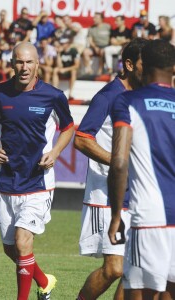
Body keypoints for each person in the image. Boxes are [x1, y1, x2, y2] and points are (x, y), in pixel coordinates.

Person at [0, 42, 74, 300]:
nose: (24, 67)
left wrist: (55, 153)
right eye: (19, 62)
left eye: (29, 62)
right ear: (12, 63)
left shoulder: (54, 95)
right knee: (11, 250)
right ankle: (45, 281)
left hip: (38, 182)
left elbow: (68, 127)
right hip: (6, 180)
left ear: (38, 64)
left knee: (23, 241)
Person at [74, 38, 149, 300]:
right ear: (128, 65)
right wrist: (118, 162)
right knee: (115, 269)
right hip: (106, 195)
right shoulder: (108, 95)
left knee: (134, 270)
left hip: (138, 196)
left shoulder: (142, 98)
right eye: (144, 64)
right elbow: (82, 138)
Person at [108, 39, 175, 300]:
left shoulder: (127, 102)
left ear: (142, 65)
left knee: (141, 294)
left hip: (150, 216)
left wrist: (116, 215)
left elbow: (120, 162)